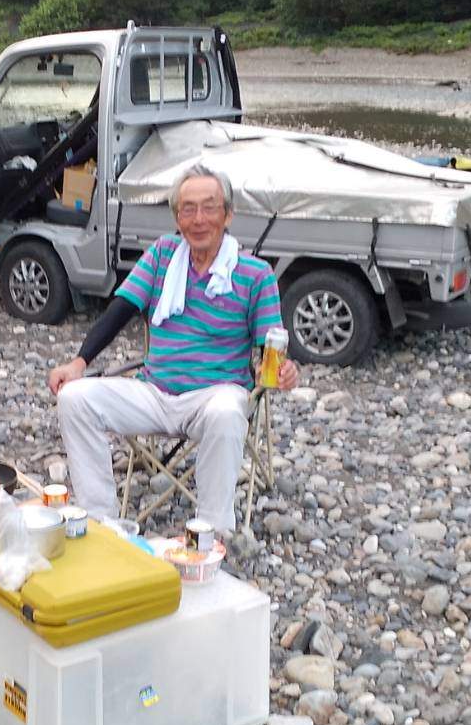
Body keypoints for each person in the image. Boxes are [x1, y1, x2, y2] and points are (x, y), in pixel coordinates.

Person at [48, 163, 299, 535]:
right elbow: (120, 310)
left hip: (213, 397)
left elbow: (269, 350)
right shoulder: (163, 254)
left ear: (228, 215)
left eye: (209, 207)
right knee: (75, 397)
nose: (198, 219)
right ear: (177, 218)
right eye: (188, 209)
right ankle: (100, 522)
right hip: (154, 392)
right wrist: (79, 362)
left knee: (228, 411)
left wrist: (281, 371)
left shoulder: (255, 274)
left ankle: (211, 533)